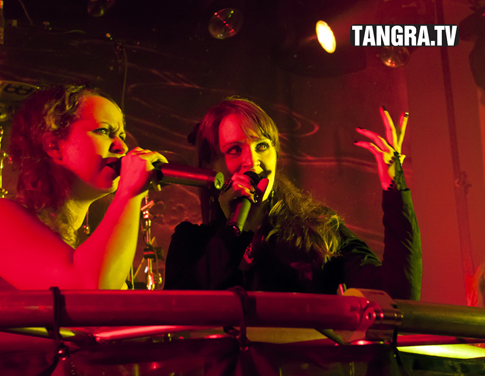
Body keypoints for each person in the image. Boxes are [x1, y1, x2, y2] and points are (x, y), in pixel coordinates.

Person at [164, 97, 422, 301]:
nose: (252, 161)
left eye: (262, 146)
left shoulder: (319, 230)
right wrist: (233, 233)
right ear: (211, 165)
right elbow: (181, 314)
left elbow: (398, 296)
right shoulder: (192, 243)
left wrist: (394, 187)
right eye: (235, 149)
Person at [0, 84, 167, 291]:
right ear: (54, 146)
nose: (122, 147)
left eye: (121, 136)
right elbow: (87, 288)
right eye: (104, 131)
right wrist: (129, 192)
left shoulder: (92, 252)